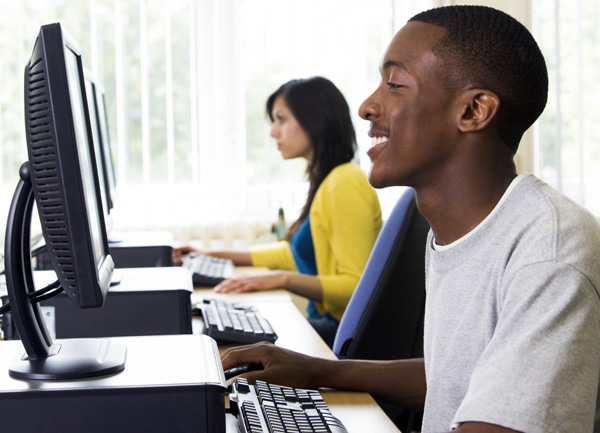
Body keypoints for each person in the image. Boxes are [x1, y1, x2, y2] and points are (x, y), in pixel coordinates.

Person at [220, 5, 600, 433]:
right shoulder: (456, 231)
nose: (366, 106)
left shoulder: (549, 249)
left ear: (473, 111)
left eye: (396, 84)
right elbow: (454, 378)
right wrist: (316, 371)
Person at [175, 76, 382, 347]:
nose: (273, 131)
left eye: (281, 119)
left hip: (340, 333)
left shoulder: (345, 182)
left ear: (315, 119)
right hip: (331, 325)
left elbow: (355, 286)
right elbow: (292, 253)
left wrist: (279, 279)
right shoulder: (329, 180)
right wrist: (211, 254)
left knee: (224, 342)